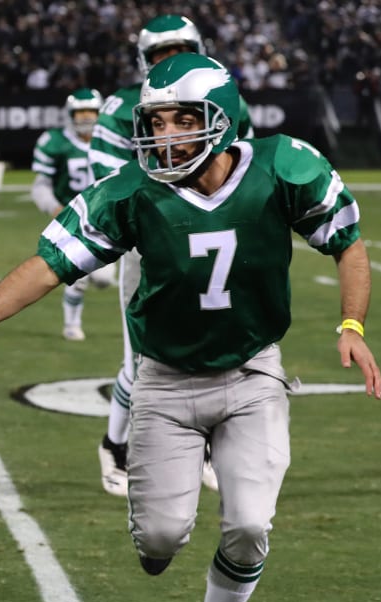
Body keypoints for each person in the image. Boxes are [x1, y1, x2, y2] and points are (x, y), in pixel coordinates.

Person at [0, 53, 381, 602]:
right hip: (165, 382)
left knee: (248, 525)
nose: (166, 136)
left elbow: (347, 241)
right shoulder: (130, 191)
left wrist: (351, 325)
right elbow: (51, 262)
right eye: (157, 123)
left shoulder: (283, 165)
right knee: (160, 534)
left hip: (250, 373)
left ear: (225, 120)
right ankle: (160, 531)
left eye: (185, 120)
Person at [87, 15, 252, 496]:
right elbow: (106, 184)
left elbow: (244, 166)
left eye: (179, 48)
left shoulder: (223, 97)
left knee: (214, 355)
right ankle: (115, 444)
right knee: (144, 359)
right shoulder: (121, 105)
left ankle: (203, 449)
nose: (169, 60)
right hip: (153, 240)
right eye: (160, 52)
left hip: (214, 241)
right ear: (144, 59)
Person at [30, 88, 114, 341]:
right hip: (73, 218)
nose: (86, 117)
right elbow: (40, 185)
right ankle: (71, 324)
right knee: (79, 275)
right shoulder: (56, 142)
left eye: (91, 111)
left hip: (105, 218)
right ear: (70, 114)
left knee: (103, 279)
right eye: (80, 112)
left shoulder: (111, 141)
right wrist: (54, 208)